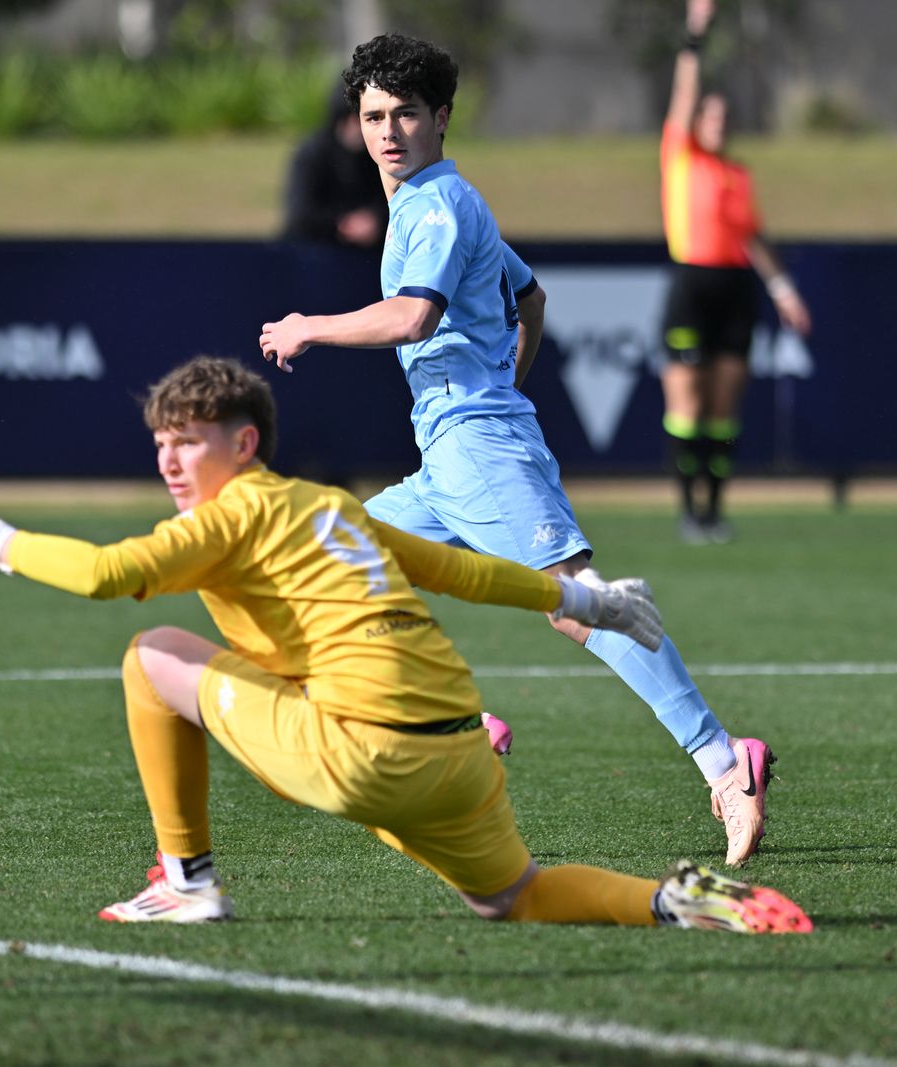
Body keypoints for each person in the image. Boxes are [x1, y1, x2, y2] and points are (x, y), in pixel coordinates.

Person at [0, 355, 810, 934]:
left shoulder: (234, 512)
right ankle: (675, 899)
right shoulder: (331, 506)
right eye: (161, 443)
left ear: (244, 443)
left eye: (190, 442)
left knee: (148, 655)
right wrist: (585, 599)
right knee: (511, 895)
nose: (170, 460)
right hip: (456, 752)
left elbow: (100, 572)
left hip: (366, 750)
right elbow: (458, 572)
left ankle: (187, 882)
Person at [258, 33, 774, 867]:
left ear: (442, 119)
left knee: (579, 606)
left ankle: (723, 762)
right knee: (325, 558)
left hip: (479, 449)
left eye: (406, 115)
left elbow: (414, 316)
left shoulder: (435, 206)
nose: (388, 132)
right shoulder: (448, 202)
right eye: (374, 116)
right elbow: (532, 298)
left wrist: (309, 327)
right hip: (455, 454)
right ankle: (453, 725)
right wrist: (508, 384)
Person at [659, 0, 813, 544]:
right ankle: (686, 512)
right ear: (699, 123)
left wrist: (783, 289)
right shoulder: (681, 157)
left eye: (725, 117)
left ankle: (714, 511)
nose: (718, 123)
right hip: (691, 285)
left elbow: (752, 237)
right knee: (688, 403)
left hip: (736, 289)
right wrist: (695, 34)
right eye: (711, 116)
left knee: (726, 406)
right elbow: (684, 94)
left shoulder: (737, 174)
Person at [283, 83, 389, 247]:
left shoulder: (380, 154)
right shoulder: (312, 154)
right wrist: (343, 224)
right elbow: (300, 213)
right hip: (315, 248)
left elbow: (393, 202)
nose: (360, 128)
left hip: (369, 252)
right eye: (356, 119)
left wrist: (376, 221)